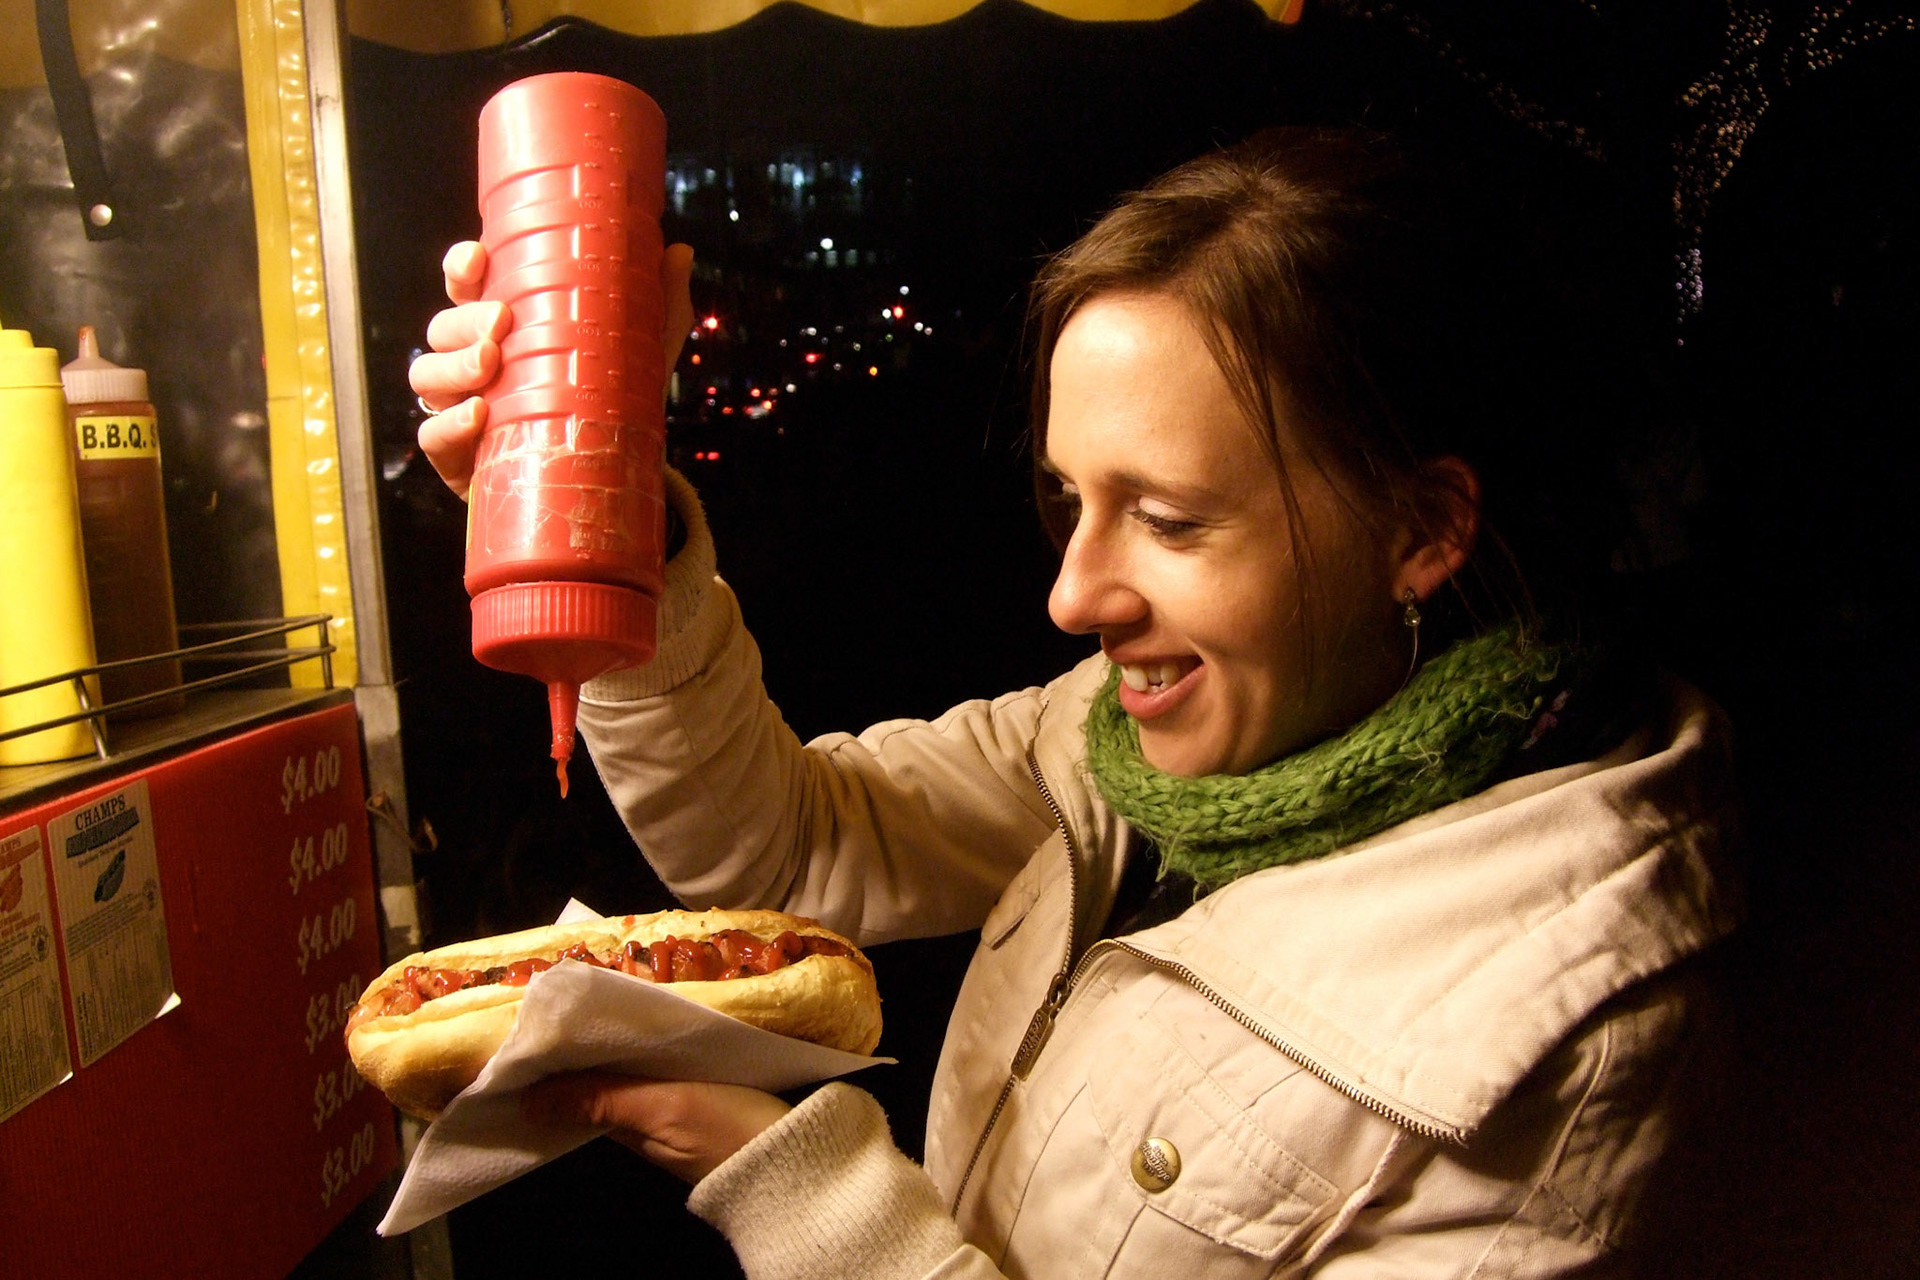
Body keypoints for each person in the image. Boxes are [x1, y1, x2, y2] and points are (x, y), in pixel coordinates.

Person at [410, 128, 1738, 1277]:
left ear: (1421, 529)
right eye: (1068, 500)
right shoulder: (1114, 738)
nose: (1073, 596)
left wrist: (804, 1191)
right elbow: (802, 841)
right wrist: (612, 532)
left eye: (1165, 518)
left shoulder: (1577, 1039)